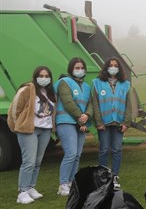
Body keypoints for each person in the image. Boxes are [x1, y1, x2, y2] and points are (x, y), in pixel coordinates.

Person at [8, 66, 57, 204]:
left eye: (47, 76)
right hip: (29, 130)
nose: (44, 78)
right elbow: (14, 109)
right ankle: (22, 192)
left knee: (37, 161)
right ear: (35, 76)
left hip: (45, 130)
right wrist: (17, 126)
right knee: (28, 161)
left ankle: (30, 187)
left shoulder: (50, 92)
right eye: (41, 75)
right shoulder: (27, 89)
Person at [91, 57, 135, 189]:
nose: (113, 68)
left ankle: (115, 176)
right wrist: (98, 122)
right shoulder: (97, 83)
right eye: (110, 65)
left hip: (118, 123)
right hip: (104, 123)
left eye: (116, 65)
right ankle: (103, 176)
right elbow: (95, 104)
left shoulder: (125, 84)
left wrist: (126, 122)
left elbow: (129, 105)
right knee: (104, 149)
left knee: (117, 150)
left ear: (119, 68)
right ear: (106, 68)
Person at [54, 57, 92, 196]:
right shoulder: (64, 82)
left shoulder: (86, 86)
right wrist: (81, 120)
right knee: (70, 154)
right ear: (71, 69)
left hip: (80, 123)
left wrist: (87, 115)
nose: (80, 70)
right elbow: (68, 102)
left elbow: (90, 104)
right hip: (66, 121)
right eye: (77, 67)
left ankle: (72, 182)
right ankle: (63, 184)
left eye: (82, 68)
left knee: (77, 155)